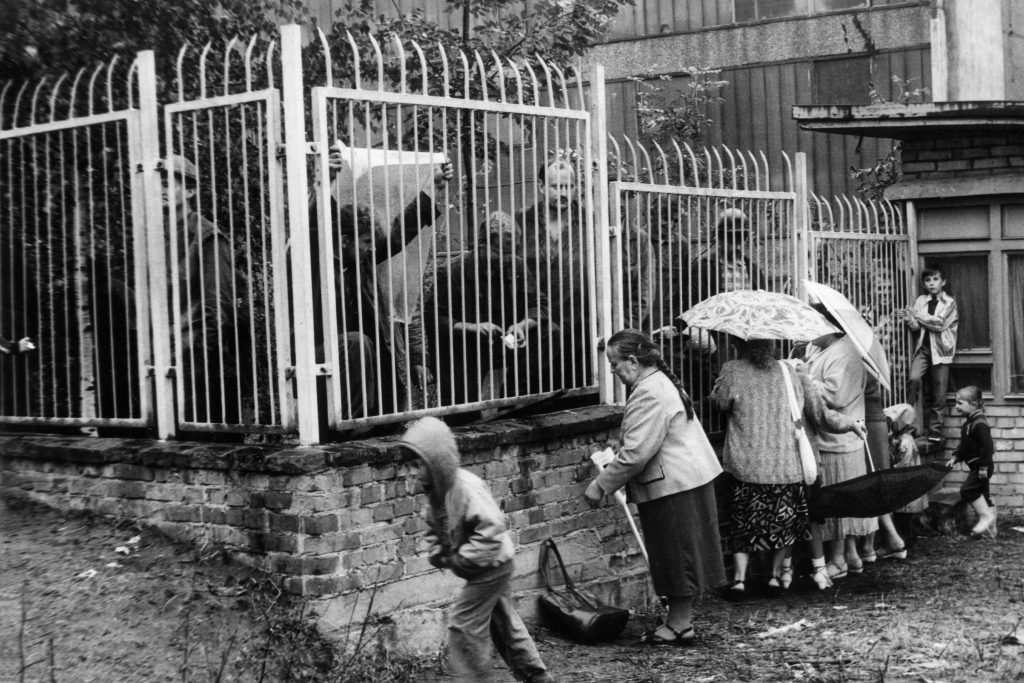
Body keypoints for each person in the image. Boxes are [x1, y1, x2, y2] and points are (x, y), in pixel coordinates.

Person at [584, 329, 724, 645]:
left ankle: (679, 624)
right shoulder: (660, 382)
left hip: (673, 485)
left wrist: (600, 485)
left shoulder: (648, 391)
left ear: (633, 361)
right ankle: (679, 621)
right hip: (684, 479)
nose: (613, 372)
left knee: (675, 554)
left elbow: (636, 454)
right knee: (679, 553)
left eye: (615, 364)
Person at [399, 416, 554, 683]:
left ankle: (472, 678)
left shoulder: (465, 488)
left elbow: (492, 530)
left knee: (463, 624)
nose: (415, 473)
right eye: (411, 466)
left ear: (436, 460)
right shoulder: (436, 491)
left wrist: (461, 559)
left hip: (492, 565)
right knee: (504, 626)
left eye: (419, 465)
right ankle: (537, 677)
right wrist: (438, 550)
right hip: (480, 566)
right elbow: (435, 527)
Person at [711, 338, 865, 595]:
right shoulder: (790, 373)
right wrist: (850, 424)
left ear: (741, 345)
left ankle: (739, 580)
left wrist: (718, 388)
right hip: (785, 467)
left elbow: (722, 404)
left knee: (743, 524)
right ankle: (773, 577)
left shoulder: (732, 369)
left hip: (747, 465)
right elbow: (821, 416)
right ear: (772, 345)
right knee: (782, 525)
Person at [516, 158, 653, 390]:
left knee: (580, 393)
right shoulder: (521, 221)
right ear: (541, 187)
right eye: (555, 187)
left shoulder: (592, 223)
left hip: (581, 332)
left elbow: (617, 279)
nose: (563, 193)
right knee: (530, 395)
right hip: (536, 331)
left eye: (568, 187)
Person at [424, 212, 552, 407]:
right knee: (464, 412)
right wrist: (471, 327)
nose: (505, 260)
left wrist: (522, 325)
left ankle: (515, 402)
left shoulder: (517, 264)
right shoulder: (451, 272)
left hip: (505, 343)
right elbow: (434, 318)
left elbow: (539, 304)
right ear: (482, 244)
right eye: (499, 252)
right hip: (465, 348)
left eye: (509, 253)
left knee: (549, 332)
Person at [163, 155, 249, 426]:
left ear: (190, 190)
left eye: (169, 183)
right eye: (157, 184)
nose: (162, 190)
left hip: (202, 366)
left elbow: (218, 306)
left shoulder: (206, 236)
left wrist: (202, 361)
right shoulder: (154, 236)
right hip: (168, 360)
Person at [801, 328, 878, 580]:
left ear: (828, 326)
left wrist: (803, 379)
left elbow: (836, 395)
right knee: (844, 500)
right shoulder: (824, 348)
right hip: (836, 437)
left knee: (836, 501)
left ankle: (838, 559)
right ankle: (851, 556)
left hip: (838, 438)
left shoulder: (844, 352)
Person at [901, 266, 958, 442]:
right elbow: (918, 327)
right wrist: (910, 319)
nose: (931, 283)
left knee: (939, 393)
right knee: (914, 378)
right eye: (928, 280)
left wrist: (917, 315)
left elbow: (939, 324)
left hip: (941, 351)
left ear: (943, 282)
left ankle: (935, 430)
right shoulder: (921, 300)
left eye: (935, 279)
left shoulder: (950, 302)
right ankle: (907, 423)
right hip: (924, 349)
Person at [859, 376, 909, 564]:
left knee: (869, 483)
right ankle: (885, 541)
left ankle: (871, 545)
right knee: (876, 482)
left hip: (865, 422)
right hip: (875, 420)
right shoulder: (868, 357)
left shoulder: (851, 356)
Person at [947, 386, 996, 539]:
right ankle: (990, 531)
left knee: (968, 491)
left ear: (973, 404)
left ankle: (986, 517)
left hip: (982, 466)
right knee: (984, 495)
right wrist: (956, 457)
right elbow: (965, 446)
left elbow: (987, 448)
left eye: (960, 403)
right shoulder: (969, 423)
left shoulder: (979, 424)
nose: (956, 406)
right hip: (977, 465)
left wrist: (983, 467)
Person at [884, 402, 929, 542]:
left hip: (905, 484)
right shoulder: (901, 439)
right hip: (908, 483)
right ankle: (908, 539)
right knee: (903, 516)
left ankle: (905, 541)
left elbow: (903, 463)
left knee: (903, 516)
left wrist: (891, 468)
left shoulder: (905, 442)